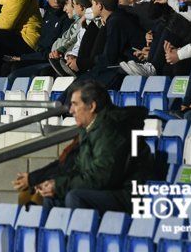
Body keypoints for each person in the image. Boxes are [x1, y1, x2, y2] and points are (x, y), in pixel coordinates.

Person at [13, 79, 153, 213]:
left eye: (75, 104)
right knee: (49, 196)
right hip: (106, 190)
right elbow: (74, 165)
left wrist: (60, 185)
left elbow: (104, 176)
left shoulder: (112, 129)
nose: (71, 110)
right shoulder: (90, 129)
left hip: (127, 195)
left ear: (91, 106)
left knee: (74, 197)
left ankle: (83, 237)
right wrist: (50, 182)